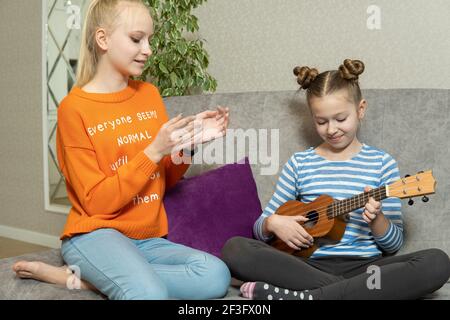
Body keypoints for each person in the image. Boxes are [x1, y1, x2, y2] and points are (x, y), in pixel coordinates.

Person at [13, 0, 231, 300]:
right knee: (148, 293)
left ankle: (87, 280)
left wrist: (190, 145)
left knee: (216, 275)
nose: (148, 49)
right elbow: (96, 203)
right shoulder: (74, 109)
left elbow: (162, 181)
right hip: (94, 234)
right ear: (103, 39)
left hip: (148, 239)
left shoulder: (149, 95)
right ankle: (112, 276)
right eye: (136, 38)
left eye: (150, 40)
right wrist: (152, 152)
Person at [221, 59, 450, 300]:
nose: (331, 129)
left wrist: (377, 219)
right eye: (321, 121)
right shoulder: (299, 163)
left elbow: (393, 245)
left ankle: (308, 297)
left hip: (366, 269)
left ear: (360, 110)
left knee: (437, 262)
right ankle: (347, 293)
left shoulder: (382, 163)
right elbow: (260, 229)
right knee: (235, 248)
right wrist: (273, 223)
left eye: (341, 119)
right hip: (308, 268)